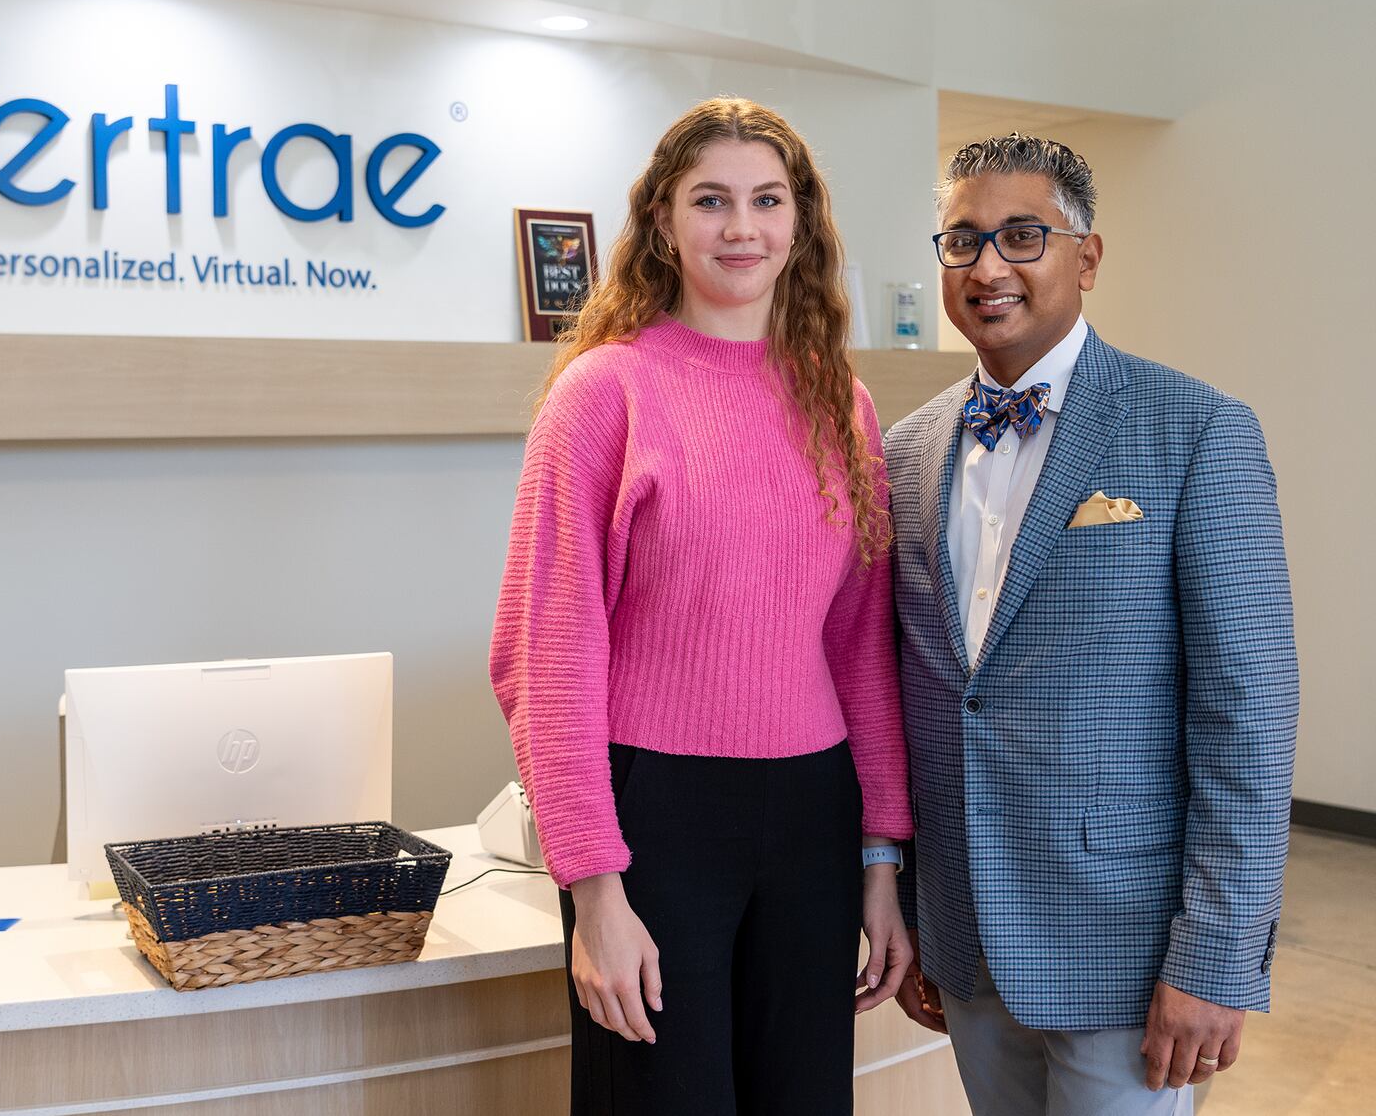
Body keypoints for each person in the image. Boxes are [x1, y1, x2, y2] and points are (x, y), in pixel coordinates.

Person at [489, 97, 914, 1115]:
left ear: (800, 223)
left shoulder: (838, 400)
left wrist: (881, 855)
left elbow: (860, 646)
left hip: (814, 812)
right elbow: (545, 655)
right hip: (657, 820)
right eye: (711, 200)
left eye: (767, 201)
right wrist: (592, 890)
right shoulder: (604, 393)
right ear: (664, 222)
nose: (741, 227)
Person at [885, 133, 1298, 1116]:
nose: (989, 267)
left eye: (1022, 236)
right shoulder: (904, 454)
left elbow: (1248, 714)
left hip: (1130, 948)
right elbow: (920, 695)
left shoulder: (1195, 430)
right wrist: (912, 914)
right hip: (967, 937)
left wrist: (1217, 958)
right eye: (961, 240)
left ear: (1087, 256)